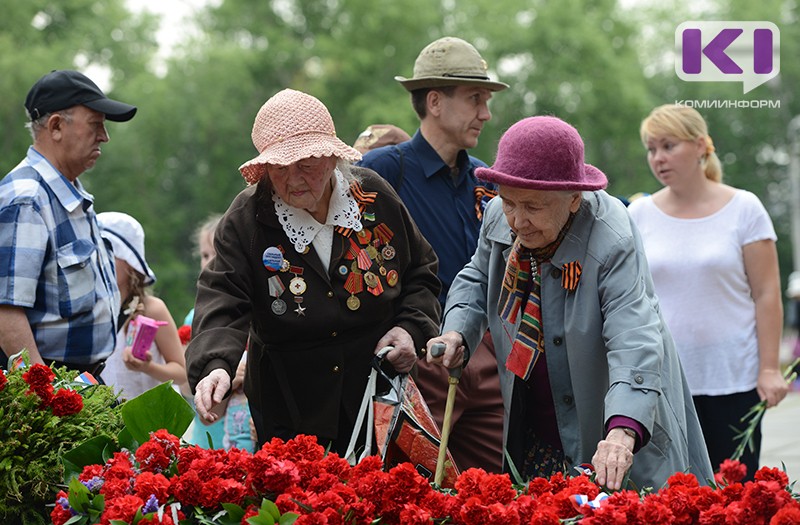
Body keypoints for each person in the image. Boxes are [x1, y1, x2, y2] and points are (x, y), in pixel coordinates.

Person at [427, 115, 714, 491]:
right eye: (509, 202)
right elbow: (477, 277)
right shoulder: (500, 213)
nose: (517, 221)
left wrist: (621, 434)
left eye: (532, 206)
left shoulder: (612, 235)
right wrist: (456, 332)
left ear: (574, 197)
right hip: (536, 416)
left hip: (610, 417)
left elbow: (635, 337)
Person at [185, 88, 441, 455]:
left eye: (305, 164)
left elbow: (421, 271)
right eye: (279, 167)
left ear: (331, 156)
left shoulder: (374, 197)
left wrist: (410, 328)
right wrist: (215, 365)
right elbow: (221, 297)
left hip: (377, 393)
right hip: (289, 403)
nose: (293, 179)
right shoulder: (246, 219)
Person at [358, 36, 507, 472]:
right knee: (412, 487)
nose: (486, 112)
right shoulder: (384, 170)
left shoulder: (486, 178)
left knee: (490, 490)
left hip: (487, 354)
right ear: (436, 102)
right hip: (419, 356)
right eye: (476, 98)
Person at [629, 104, 788, 478]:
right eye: (651, 149)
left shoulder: (745, 208)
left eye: (668, 146)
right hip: (663, 384)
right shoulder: (639, 215)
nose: (658, 158)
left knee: (735, 499)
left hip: (732, 379)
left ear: (701, 146)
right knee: (669, 501)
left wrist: (768, 369)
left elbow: (767, 293)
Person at [0, 70, 137, 376]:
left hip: (82, 382)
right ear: (56, 126)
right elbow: (5, 314)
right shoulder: (28, 198)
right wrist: (44, 394)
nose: (104, 136)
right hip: (55, 386)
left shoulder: (68, 193)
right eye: (95, 124)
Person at [182, 214, 255, 452]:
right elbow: (187, 385)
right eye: (205, 255)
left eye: (217, 254)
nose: (210, 262)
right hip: (213, 439)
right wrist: (230, 378)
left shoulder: (259, 316)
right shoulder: (197, 320)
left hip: (253, 437)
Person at [97, 211, 187, 400]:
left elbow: (181, 372)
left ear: (131, 262)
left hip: (146, 420)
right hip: (100, 421)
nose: (100, 261)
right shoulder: (89, 309)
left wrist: (148, 367)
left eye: (109, 253)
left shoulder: (153, 308)